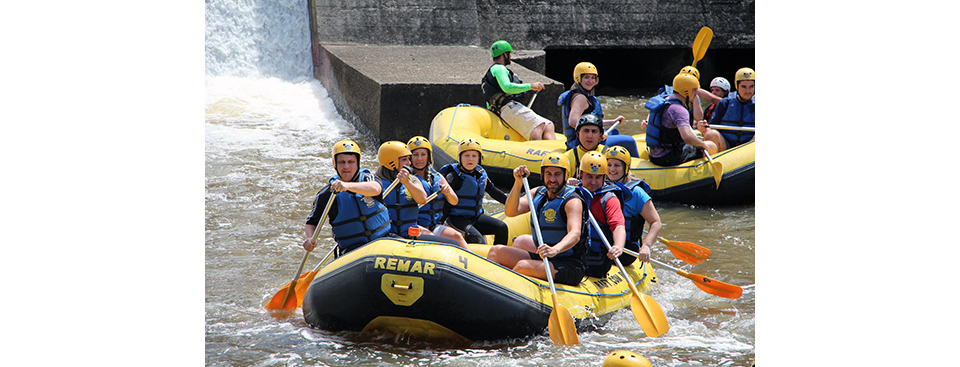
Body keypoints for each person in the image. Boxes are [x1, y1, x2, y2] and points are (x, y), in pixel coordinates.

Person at [486, 153, 588, 286]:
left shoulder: (572, 201)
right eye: (548, 174)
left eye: (557, 174)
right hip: (544, 257)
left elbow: (575, 234)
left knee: (523, 266)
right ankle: (489, 288)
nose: (552, 179)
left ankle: (502, 292)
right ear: (542, 175)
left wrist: (555, 250)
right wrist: (518, 183)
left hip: (570, 264)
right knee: (496, 252)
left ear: (565, 176)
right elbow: (510, 211)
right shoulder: (537, 193)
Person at [303, 140, 391, 256]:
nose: (346, 167)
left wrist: (346, 186)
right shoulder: (327, 194)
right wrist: (310, 239)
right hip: (352, 251)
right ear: (335, 164)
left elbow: (376, 189)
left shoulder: (368, 179)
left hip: (384, 241)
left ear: (357, 163)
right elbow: (312, 222)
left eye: (351, 162)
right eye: (341, 162)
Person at [375, 141, 464, 248]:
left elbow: (422, 199)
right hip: (389, 233)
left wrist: (407, 182)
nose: (410, 162)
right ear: (391, 162)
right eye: (406, 159)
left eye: (423, 155)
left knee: (454, 241)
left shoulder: (414, 179)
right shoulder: (376, 182)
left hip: (411, 230)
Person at [558, 62, 639, 157]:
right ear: (578, 78)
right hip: (579, 143)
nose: (590, 81)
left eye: (593, 78)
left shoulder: (583, 96)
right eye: (586, 77)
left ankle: (613, 160)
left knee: (615, 132)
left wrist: (612, 122)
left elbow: (590, 122)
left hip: (581, 141)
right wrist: (596, 135)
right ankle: (634, 169)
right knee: (629, 141)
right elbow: (573, 121)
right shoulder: (580, 98)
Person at [481, 40, 556, 141]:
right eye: (509, 54)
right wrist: (530, 86)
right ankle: (538, 154)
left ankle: (550, 153)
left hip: (508, 108)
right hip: (508, 108)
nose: (510, 56)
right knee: (538, 126)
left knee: (548, 125)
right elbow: (507, 87)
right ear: (504, 54)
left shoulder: (492, 74)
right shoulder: (499, 68)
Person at [439, 138, 510, 245]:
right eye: (466, 155)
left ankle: (497, 256)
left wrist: (513, 204)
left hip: (476, 218)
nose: (470, 159)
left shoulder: (481, 175)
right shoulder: (454, 177)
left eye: (474, 156)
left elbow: (494, 192)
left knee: (502, 227)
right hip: (457, 219)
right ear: (460, 158)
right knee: (477, 239)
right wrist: (439, 224)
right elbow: (445, 203)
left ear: (479, 159)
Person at [406, 136, 470, 251]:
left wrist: (448, 192)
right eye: (415, 155)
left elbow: (454, 201)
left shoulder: (438, 177)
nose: (419, 159)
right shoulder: (406, 179)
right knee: (432, 239)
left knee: (457, 236)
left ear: (428, 157)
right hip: (414, 225)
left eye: (423, 154)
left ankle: (473, 264)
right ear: (409, 157)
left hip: (433, 224)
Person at [645, 72, 718, 166]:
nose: (697, 93)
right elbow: (687, 137)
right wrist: (703, 145)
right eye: (695, 90)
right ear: (686, 91)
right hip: (668, 157)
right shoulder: (679, 110)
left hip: (654, 155)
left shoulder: (665, 100)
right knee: (711, 145)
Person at [604, 146, 662, 264]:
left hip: (626, 250)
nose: (612, 169)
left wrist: (646, 246)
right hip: (604, 245)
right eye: (609, 165)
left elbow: (656, 222)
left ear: (626, 168)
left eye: (617, 165)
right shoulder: (601, 187)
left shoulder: (636, 193)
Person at [576, 151, 628, 278]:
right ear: (581, 174)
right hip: (571, 255)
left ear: (604, 177)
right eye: (589, 176)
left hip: (596, 262)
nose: (593, 182)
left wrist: (618, 245)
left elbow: (618, 226)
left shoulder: (609, 199)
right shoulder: (572, 192)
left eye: (598, 177)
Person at [698, 67, 755, 151]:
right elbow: (712, 127)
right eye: (744, 87)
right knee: (711, 134)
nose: (748, 91)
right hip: (725, 147)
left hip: (748, 149)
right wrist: (703, 128)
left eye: (751, 87)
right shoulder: (725, 103)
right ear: (737, 86)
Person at [563, 113, 608, 182]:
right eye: (586, 131)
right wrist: (566, 182)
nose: (590, 136)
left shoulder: (608, 154)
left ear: (600, 135)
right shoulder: (567, 158)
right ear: (578, 134)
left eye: (594, 131)